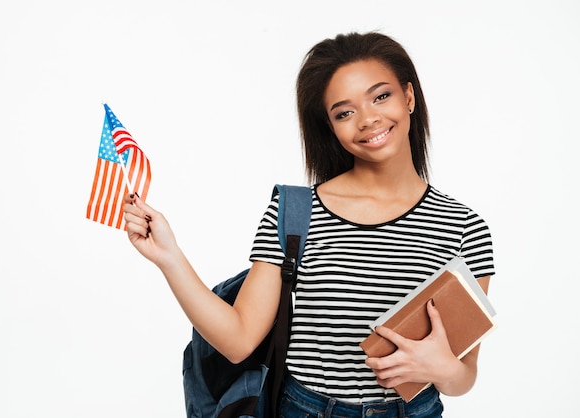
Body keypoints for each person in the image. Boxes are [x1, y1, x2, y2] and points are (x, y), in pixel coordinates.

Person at [123, 31, 495, 418]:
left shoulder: (465, 227)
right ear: (331, 126)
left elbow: (464, 376)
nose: (368, 119)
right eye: (344, 112)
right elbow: (238, 340)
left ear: (409, 97)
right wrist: (169, 258)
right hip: (306, 409)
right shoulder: (295, 212)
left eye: (380, 96)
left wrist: (441, 368)